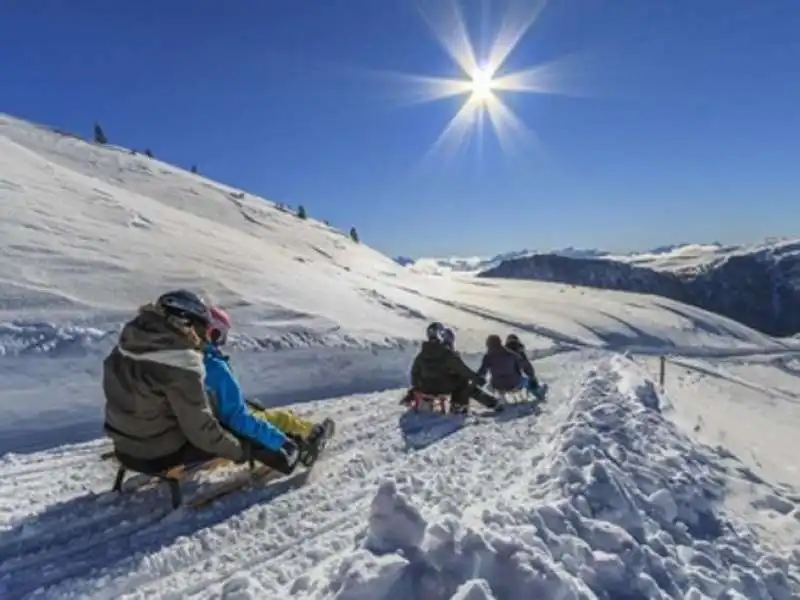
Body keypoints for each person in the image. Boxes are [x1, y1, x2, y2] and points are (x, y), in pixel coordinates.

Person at [102, 290, 300, 475]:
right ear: (185, 323)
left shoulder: (127, 346)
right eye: (202, 328)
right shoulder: (181, 366)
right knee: (229, 423)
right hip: (157, 454)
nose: (203, 337)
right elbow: (202, 431)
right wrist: (240, 451)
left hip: (123, 443)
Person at [203, 306, 332, 467]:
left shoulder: (191, 362)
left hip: (211, 422)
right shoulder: (214, 367)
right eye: (220, 334)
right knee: (280, 418)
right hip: (227, 425)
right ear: (210, 332)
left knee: (256, 408)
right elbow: (238, 418)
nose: (221, 341)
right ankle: (311, 435)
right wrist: (281, 443)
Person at [403, 322, 499, 414]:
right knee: (465, 383)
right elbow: (463, 370)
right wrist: (478, 379)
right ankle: (460, 405)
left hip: (425, 388)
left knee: (458, 380)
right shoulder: (446, 353)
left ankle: (417, 401)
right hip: (443, 388)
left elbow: (414, 372)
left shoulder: (422, 354)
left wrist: (417, 386)